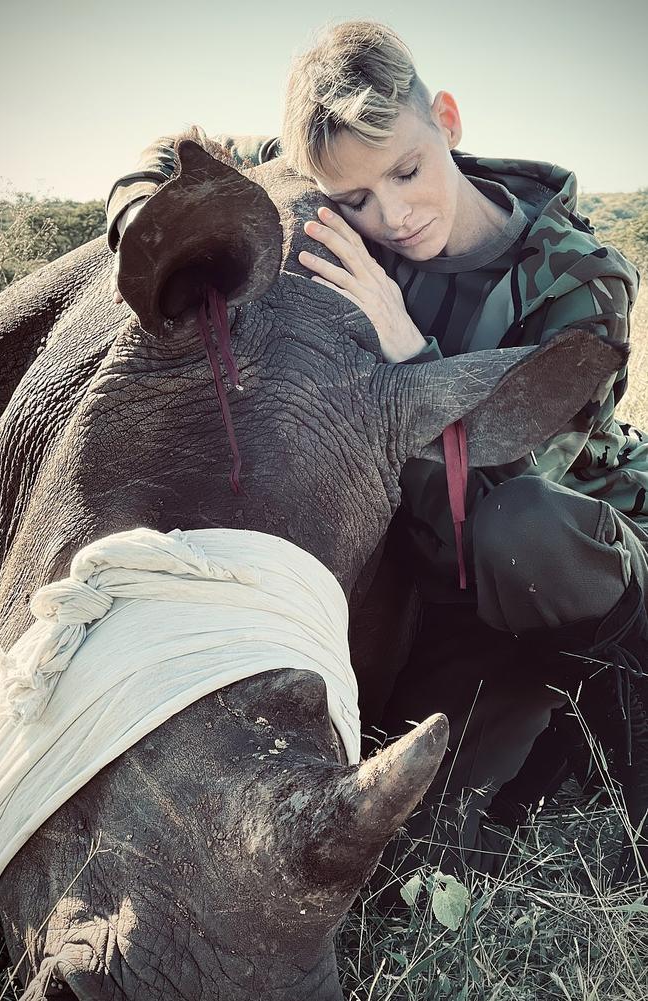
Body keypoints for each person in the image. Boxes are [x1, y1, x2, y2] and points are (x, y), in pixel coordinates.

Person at [105, 20, 647, 879]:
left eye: (407, 170)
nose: (392, 214)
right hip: (433, 570)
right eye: (353, 200)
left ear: (448, 120)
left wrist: (407, 350)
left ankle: (621, 687)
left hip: (556, 556)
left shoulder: (585, 281)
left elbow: (502, 487)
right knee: (401, 853)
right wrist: (143, 219)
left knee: (523, 533)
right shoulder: (344, 166)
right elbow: (171, 156)